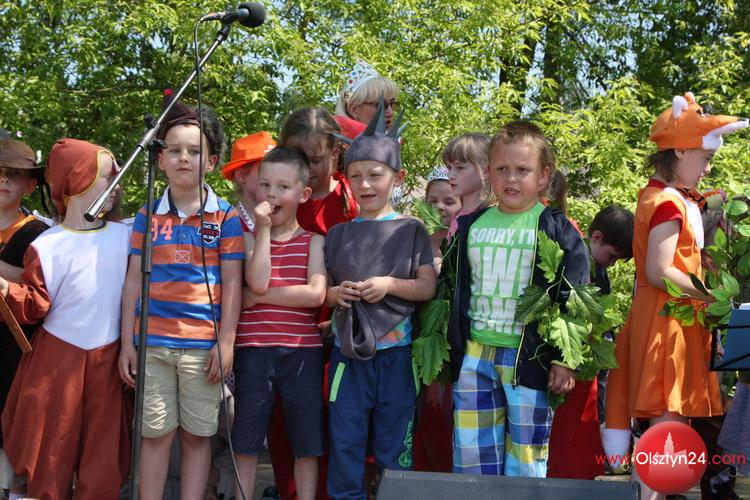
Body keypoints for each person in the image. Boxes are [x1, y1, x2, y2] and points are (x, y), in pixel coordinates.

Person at [604, 92, 747, 499]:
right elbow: (659, 270)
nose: (707, 168)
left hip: (671, 320)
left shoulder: (665, 196)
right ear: (681, 151)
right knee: (666, 426)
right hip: (666, 324)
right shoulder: (667, 202)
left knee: (670, 427)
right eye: (706, 158)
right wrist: (713, 294)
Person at [118, 93, 244, 500]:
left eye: (194, 151)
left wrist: (226, 342)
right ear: (160, 159)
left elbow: (232, 284)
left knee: (197, 435)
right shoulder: (147, 215)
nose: (183, 158)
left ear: (212, 162)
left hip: (202, 348)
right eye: (174, 150)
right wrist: (128, 343)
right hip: (152, 344)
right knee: (155, 435)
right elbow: (133, 281)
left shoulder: (226, 217)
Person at [448, 120, 589, 477]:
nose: (511, 178)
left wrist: (566, 358)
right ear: (488, 172)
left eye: (523, 170)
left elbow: (576, 296)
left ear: (543, 176)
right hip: (475, 354)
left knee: (526, 456)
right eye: (502, 169)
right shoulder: (472, 225)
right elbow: (452, 289)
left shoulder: (555, 228)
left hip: (528, 358)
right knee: (473, 454)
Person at [1, 138, 131, 499]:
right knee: (50, 447)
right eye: (106, 176)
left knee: (103, 453)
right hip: (57, 361)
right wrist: (6, 289)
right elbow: (34, 304)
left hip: (109, 359)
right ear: (77, 179)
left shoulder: (127, 237)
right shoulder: (47, 244)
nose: (116, 184)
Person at [324, 101, 436, 499]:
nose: (365, 185)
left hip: (397, 357)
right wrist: (336, 294)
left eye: (375, 175)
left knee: (395, 444)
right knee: (345, 441)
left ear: (398, 177)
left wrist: (389, 284)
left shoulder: (411, 230)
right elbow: (323, 290)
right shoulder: (337, 234)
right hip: (347, 356)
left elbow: (426, 287)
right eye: (356, 176)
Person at [232, 146, 327, 500]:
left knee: (306, 441)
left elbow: (315, 294)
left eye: (283, 187)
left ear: (303, 193)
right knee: (246, 439)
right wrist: (263, 230)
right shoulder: (247, 239)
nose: (272, 195)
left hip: (302, 352)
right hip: (253, 350)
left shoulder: (314, 242)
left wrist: (260, 298)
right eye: (265, 185)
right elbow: (257, 280)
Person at [547, 205, 634, 480]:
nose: (612, 263)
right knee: (566, 429)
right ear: (596, 237)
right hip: (570, 357)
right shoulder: (574, 260)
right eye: (612, 255)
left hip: (586, 362)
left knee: (579, 426)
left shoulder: (600, 271)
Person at [279, 107, 358, 237]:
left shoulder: (351, 194)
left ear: (335, 152)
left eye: (315, 160)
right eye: (298, 159)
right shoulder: (281, 195)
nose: (307, 167)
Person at [221, 131, 277, 232]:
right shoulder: (225, 223)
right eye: (265, 169)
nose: (276, 175)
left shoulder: (286, 217)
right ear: (241, 175)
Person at [442, 133, 492, 235]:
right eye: (449, 168)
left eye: (459, 167)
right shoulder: (455, 215)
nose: (451, 175)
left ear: (485, 171)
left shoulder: (491, 216)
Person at [335, 59, 400, 130]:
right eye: (382, 105)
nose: (390, 113)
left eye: (393, 104)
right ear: (354, 110)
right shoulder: (330, 137)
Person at [424, 165, 462, 265]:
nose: (439, 206)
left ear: (462, 206)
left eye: (449, 202)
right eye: (433, 201)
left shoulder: (463, 243)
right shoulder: (414, 238)